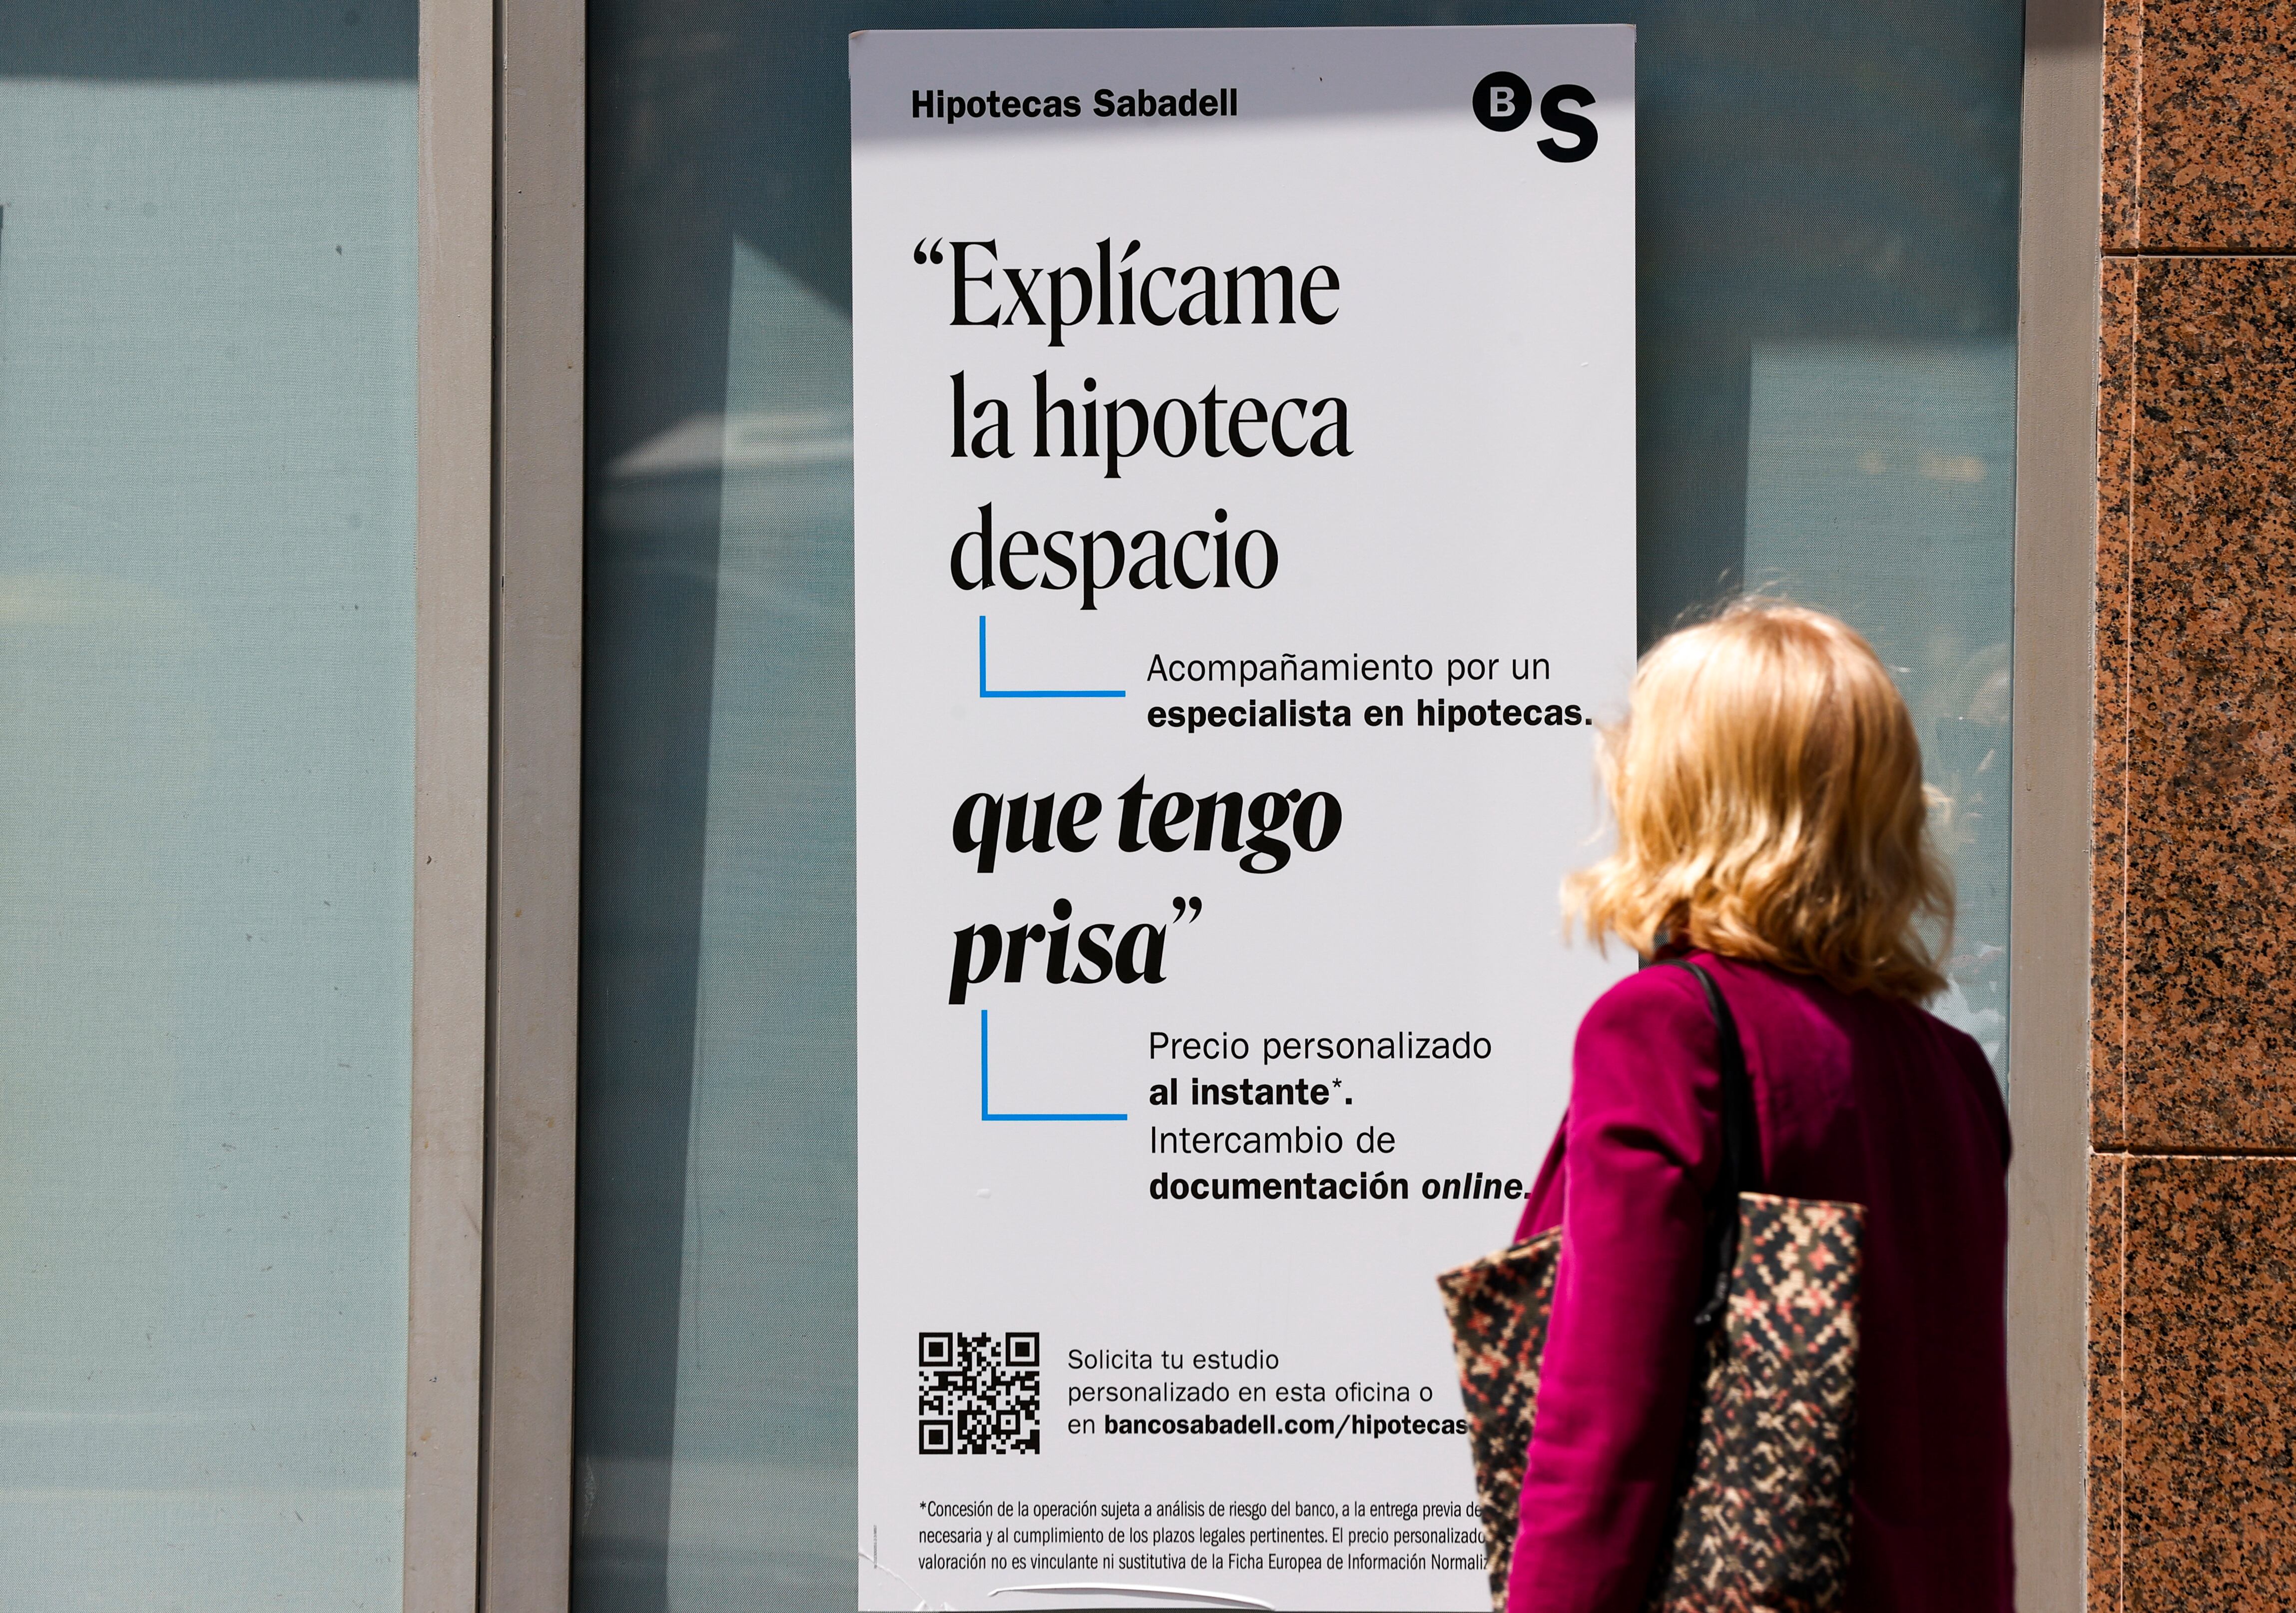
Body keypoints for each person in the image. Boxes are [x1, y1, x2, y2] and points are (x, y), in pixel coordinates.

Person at [1506, 599, 2012, 1611]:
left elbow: (1609, 1419)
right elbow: (1964, 1446)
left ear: (1686, 795)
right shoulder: (1954, 1076)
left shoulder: (1665, 1032)